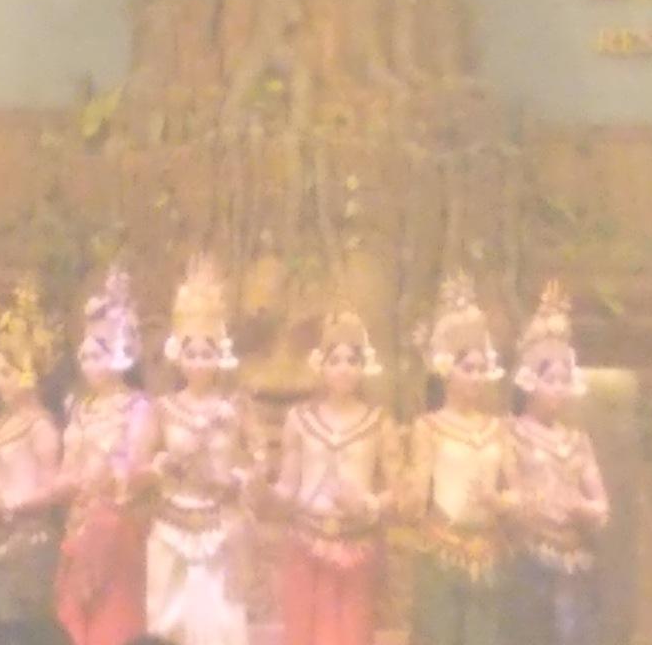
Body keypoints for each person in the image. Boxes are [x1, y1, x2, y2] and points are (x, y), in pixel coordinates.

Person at [142, 255, 259, 645]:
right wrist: (162, 465)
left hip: (219, 529)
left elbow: (260, 459)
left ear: (220, 357)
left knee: (220, 627)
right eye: (191, 353)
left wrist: (238, 479)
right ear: (178, 356)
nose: (198, 362)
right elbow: (138, 465)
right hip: (171, 529)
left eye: (207, 353)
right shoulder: (162, 409)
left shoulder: (236, 408)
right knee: (167, 626)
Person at [273, 305, 402, 645]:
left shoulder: (379, 422)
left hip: (357, 547)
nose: (344, 369)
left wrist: (368, 504)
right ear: (321, 366)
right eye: (335, 360)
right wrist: (260, 489)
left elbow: (398, 491)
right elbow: (287, 487)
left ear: (364, 367)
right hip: (305, 541)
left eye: (352, 361)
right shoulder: (299, 419)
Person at [403, 271, 513, 645]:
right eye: (469, 369)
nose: (477, 378)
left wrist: (500, 501)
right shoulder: (429, 427)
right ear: (447, 370)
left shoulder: (499, 428)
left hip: (489, 552)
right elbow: (417, 493)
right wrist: (406, 496)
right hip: (442, 549)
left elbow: (518, 492)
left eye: (482, 369)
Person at [502, 281, 609, 645]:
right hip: (528, 558)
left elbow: (602, 505)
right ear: (530, 382)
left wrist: (585, 509)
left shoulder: (578, 440)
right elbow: (511, 498)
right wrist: (528, 507)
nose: (559, 390)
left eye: (565, 381)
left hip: (575, 558)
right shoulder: (510, 433)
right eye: (551, 380)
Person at [55, 266, 154, 645]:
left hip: (117, 532)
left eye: (96, 356)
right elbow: (67, 470)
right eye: (84, 357)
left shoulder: (138, 407)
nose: (88, 365)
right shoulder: (79, 409)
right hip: (77, 528)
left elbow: (135, 470)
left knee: (114, 625)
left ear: (120, 356)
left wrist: (113, 482)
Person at [0, 278, 64, 623]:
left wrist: (11, 506)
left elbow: (50, 489)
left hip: (30, 539)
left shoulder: (41, 426)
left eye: (7, 374)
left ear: (28, 374)